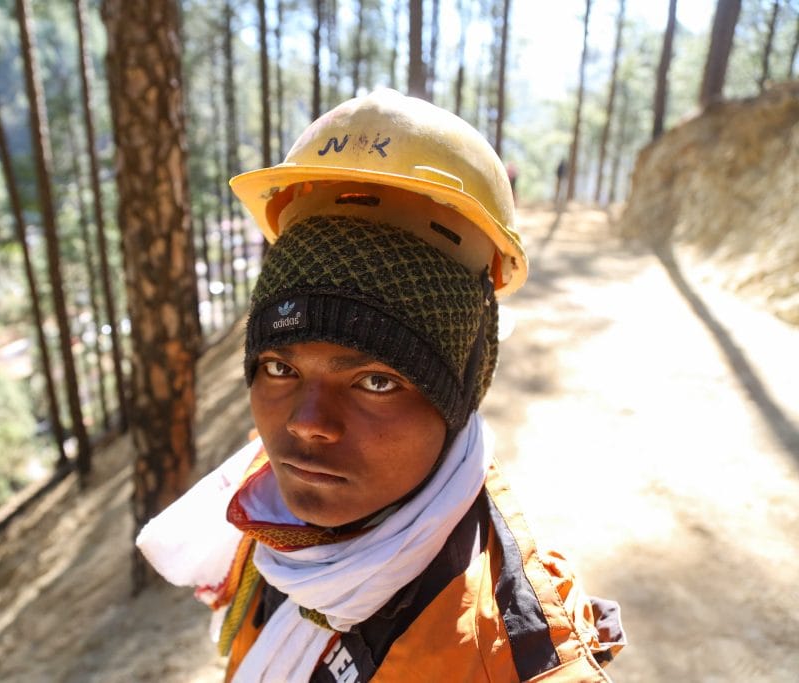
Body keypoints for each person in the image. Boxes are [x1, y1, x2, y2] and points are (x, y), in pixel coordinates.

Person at [137, 89, 625, 682]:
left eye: (376, 380)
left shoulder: (510, 661)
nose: (305, 422)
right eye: (280, 368)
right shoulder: (265, 507)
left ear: (458, 397)